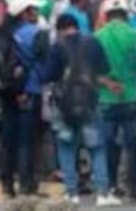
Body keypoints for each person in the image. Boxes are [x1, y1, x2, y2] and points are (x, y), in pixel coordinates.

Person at [44, 13, 121, 206]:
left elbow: (48, 75)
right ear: (77, 26)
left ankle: (72, 193)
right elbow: (104, 69)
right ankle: (102, 193)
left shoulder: (57, 47)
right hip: (90, 102)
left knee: (67, 147)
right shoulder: (93, 42)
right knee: (96, 147)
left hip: (64, 105)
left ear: (61, 29)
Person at [94, 0, 136, 202]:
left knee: (107, 144)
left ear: (106, 16)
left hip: (106, 98)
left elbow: (91, 68)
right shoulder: (135, 35)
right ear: (126, 15)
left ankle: (111, 185)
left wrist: (107, 83)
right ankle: (134, 186)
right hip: (131, 96)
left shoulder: (97, 36)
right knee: (133, 144)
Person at [6, 0, 46, 197]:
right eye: (34, 10)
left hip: (11, 90)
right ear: (25, 13)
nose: (37, 14)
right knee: (28, 141)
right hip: (31, 89)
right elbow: (47, 62)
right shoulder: (36, 33)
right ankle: (27, 183)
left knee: (13, 139)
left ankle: (9, 183)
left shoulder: (7, 33)